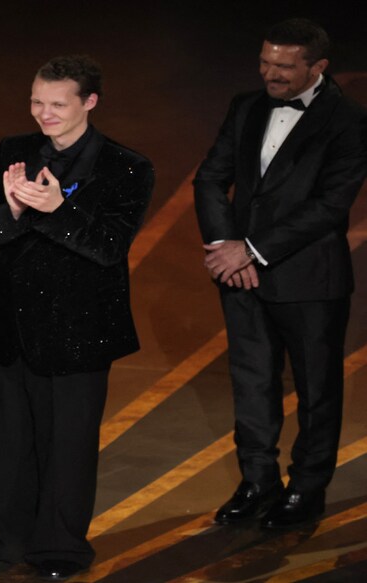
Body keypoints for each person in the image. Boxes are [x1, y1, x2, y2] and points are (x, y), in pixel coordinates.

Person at [0, 56, 153, 580]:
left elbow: (109, 248)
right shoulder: (14, 151)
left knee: (67, 445)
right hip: (6, 326)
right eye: (37, 101)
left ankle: (61, 548)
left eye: (57, 104)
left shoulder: (126, 166)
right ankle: (7, 537)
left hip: (77, 332)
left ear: (89, 102)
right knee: (7, 440)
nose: (45, 113)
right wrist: (13, 210)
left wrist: (59, 210)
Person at [194, 18, 367, 530]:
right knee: (251, 382)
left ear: (318, 67)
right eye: (266, 62)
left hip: (310, 279)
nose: (271, 74)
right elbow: (210, 177)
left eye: (285, 67)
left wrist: (250, 249)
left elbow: (330, 207)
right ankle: (257, 482)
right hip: (240, 274)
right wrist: (226, 246)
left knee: (316, 389)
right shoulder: (246, 106)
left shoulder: (349, 121)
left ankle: (307, 489)